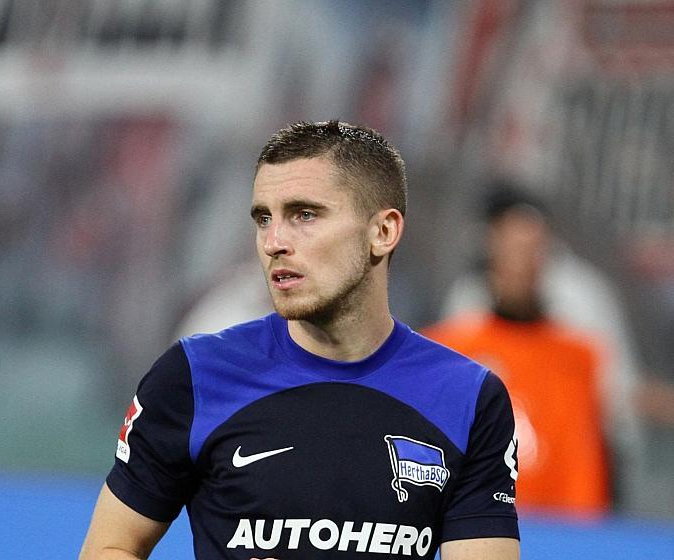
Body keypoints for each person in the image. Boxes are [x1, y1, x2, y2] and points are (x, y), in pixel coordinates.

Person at [80, 121, 520, 559]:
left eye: (304, 215)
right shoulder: (193, 376)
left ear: (383, 232)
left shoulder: (468, 398)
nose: (274, 242)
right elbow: (109, 548)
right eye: (263, 218)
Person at [424, 186, 611, 516]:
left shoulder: (579, 356)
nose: (523, 263)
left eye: (533, 249)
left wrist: (587, 530)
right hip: (476, 526)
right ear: (491, 252)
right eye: (513, 248)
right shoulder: (449, 349)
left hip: (563, 531)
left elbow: (584, 464)